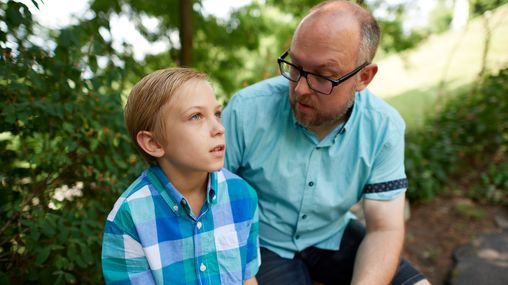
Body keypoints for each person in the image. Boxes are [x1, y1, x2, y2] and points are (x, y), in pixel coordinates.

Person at [222, 1, 430, 284]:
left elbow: (385, 229)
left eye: (322, 76)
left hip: (331, 234)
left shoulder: (383, 127)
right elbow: (208, 205)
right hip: (261, 241)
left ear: (363, 77)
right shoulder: (245, 110)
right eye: (295, 66)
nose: (300, 89)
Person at [102, 67, 260, 285]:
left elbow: (247, 278)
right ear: (154, 143)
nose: (219, 128)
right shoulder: (129, 217)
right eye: (196, 116)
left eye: (216, 114)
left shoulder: (242, 195)